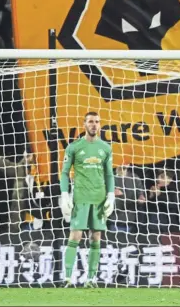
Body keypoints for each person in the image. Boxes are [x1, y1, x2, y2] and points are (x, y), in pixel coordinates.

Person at [60, 111, 115, 288]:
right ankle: (67, 278)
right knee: (75, 235)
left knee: (96, 237)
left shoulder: (105, 148)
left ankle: (91, 280)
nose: (94, 125)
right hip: (81, 198)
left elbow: (109, 174)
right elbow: (64, 173)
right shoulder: (74, 147)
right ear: (84, 124)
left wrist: (111, 195)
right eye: (91, 121)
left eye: (97, 122)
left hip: (98, 199)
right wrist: (64, 193)